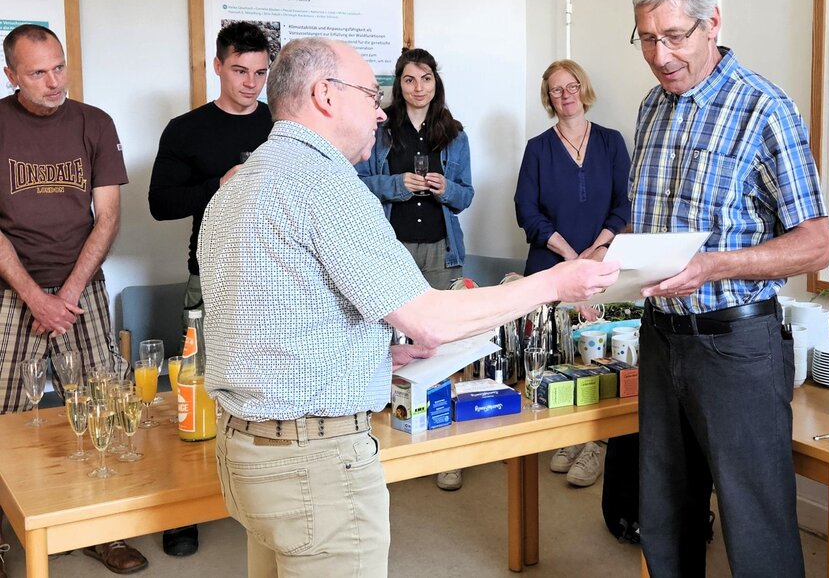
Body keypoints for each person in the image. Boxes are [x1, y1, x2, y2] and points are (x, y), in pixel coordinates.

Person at [198, 37, 619, 578]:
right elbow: (432, 319)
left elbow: (275, 319)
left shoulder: (243, 181)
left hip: (247, 452)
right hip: (314, 464)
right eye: (371, 95)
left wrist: (371, 351)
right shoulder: (327, 184)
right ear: (324, 95)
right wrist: (556, 282)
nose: (380, 111)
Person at [627, 0, 829, 577]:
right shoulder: (650, 109)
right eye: (646, 39)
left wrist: (716, 265)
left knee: (755, 528)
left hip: (737, 347)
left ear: (712, 22)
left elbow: (816, 245)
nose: (660, 56)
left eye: (674, 36)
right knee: (664, 521)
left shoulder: (766, 110)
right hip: (661, 341)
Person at [0, 24, 148, 576]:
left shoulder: (94, 123)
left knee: (99, 408)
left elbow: (107, 217)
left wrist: (64, 294)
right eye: (38, 72)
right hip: (11, 291)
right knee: (7, 419)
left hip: (79, 290)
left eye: (59, 67)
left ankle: (103, 532)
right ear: (11, 74)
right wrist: (35, 297)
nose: (53, 81)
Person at [148, 20, 273, 557]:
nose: (251, 83)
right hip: (213, 273)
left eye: (261, 73)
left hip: (275, 274)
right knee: (199, 390)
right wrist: (217, 185)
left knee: (268, 390)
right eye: (240, 71)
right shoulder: (186, 129)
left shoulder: (283, 121)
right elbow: (160, 203)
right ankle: (184, 512)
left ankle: (263, 499)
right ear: (217, 66)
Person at [355, 47, 473, 491]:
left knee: (441, 345)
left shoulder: (455, 135)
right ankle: (385, 445)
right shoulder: (381, 130)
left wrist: (447, 189)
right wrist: (396, 185)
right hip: (392, 247)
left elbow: (467, 196)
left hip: (442, 250)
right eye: (409, 79)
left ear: (435, 83)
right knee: (384, 342)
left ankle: (447, 449)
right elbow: (359, 184)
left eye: (426, 79)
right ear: (398, 85)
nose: (418, 87)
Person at [514, 59, 631, 487]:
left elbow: (624, 204)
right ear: (549, 99)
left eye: (571, 86)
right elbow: (526, 211)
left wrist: (596, 250)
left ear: (584, 88)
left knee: (602, 359)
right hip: (551, 269)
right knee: (561, 360)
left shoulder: (611, 143)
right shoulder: (538, 149)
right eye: (556, 90)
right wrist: (568, 255)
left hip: (602, 267)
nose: (565, 95)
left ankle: (595, 446)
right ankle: (567, 437)